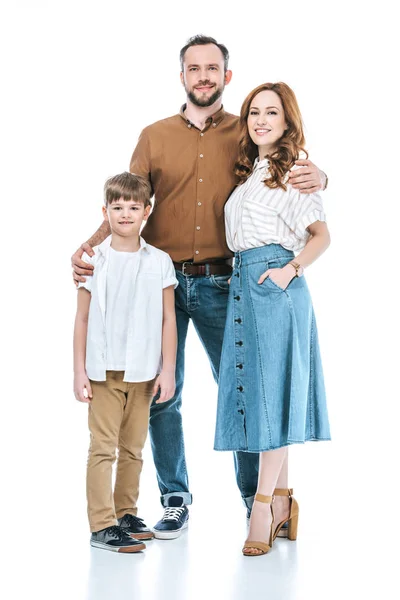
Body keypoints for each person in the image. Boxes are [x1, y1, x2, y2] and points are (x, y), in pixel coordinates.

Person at [71, 35, 327, 540]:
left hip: (226, 284)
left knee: (245, 392)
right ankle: (175, 498)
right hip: (160, 284)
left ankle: (256, 502)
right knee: (163, 394)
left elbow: (287, 166)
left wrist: (323, 174)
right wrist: (89, 247)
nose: (203, 75)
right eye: (194, 68)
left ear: (226, 76)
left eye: (213, 67)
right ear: (182, 75)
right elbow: (129, 202)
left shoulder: (247, 130)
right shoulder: (154, 135)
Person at [214, 82, 331, 556]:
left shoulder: (296, 172)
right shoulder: (250, 174)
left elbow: (322, 235)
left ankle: (262, 506)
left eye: (271, 113)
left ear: (287, 120)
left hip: (275, 284)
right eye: (254, 113)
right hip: (243, 284)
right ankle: (282, 498)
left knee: (272, 397)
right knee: (261, 394)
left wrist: (289, 270)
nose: (261, 120)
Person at [73, 172, 178, 552]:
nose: (125, 214)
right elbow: (82, 318)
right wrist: (79, 371)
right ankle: (102, 524)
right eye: (117, 207)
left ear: (147, 212)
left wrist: (167, 370)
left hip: (143, 371)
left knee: (133, 447)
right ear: (105, 211)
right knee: (103, 447)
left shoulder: (159, 261)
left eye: (134, 207)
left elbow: (169, 319)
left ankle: (124, 513)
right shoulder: (94, 260)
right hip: (102, 371)